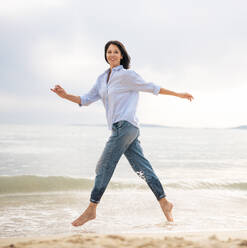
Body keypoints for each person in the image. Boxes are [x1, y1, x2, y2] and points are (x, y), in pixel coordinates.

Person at [51, 40, 193, 226]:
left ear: (122, 55)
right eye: (109, 51)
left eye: (115, 52)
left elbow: (152, 87)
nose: (112, 54)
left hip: (125, 126)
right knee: (142, 168)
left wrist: (178, 94)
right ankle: (164, 202)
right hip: (126, 130)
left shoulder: (127, 75)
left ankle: (92, 209)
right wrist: (65, 95)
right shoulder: (102, 79)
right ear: (106, 55)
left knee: (103, 166)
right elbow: (85, 99)